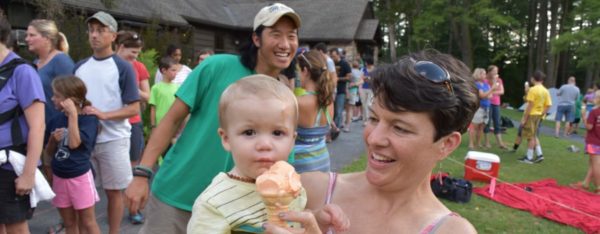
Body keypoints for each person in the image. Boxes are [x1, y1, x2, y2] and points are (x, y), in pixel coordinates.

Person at [125, 3, 301, 233]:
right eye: (275, 34)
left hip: (231, 214)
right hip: (177, 199)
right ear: (257, 39)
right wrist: (143, 172)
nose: (285, 44)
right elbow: (171, 119)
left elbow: (284, 160)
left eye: (291, 36)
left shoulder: (285, 98)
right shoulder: (216, 67)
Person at [263, 50, 477, 233]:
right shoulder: (311, 190)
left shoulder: (450, 230)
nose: (373, 139)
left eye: (400, 128)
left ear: (446, 144)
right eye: (374, 118)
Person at [187, 75, 308, 232]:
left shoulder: (293, 187)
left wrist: (319, 219)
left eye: (277, 133)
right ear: (226, 139)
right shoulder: (213, 204)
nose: (264, 145)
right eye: (249, 132)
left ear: (292, 141)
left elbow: (298, 223)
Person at [74, 11, 140, 234]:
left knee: (114, 192)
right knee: (84, 193)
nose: (94, 35)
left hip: (113, 139)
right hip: (83, 140)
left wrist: (104, 115)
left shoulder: (123, 67)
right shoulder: (80, 66)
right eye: (91, 30)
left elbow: (134, 107)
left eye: (101, 31)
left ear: (113, 36)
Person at [0, 16, 46, 234]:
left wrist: (28, 174)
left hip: (10, 166)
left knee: (15, 227)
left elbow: (38, 126)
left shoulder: (22, 72)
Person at [44, 76, 101, 234]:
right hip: (60, 177)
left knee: (88, 223)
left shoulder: (88, 120)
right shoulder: (55, 120)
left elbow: (74, 143)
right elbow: (48, 152)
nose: (52, 98)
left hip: (79, 177)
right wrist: (52, 141)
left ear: (69, 100)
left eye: (56, 95)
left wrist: (73, 115)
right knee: (69, 223)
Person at [115, 30, 151, 224]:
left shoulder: (138, 67)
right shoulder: (108, 65)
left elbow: (148, 96)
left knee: (133, 167)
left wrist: (131, 87)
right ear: (119, 47)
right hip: (110, 124)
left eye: (137, 53)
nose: (135, 57)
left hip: (132, 123)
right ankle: (115, 208)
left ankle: (133, 209)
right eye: (132, 52)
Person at [25, 19, 75, 125]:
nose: (27, 39)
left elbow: (74, 95)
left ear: (47, 38)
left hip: (57, 128)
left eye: (32, 35)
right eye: (27, 35)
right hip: (37, 126)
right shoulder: (35, 63)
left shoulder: (61, 61)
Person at [292, 50, 335, 173]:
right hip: (323, 162)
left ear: (305, 71)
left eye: (299, 71)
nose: (298, 75)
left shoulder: (297, 102)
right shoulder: (329, 101)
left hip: (300, 166)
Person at [518, 71, 552, 164]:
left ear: (533, 78)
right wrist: (542, 115)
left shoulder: (533, 90)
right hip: (538, 115)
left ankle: (529, 158)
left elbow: (530, 105)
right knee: (533, 135)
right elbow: (548, 105)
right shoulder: (545, 90)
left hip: (531, 115)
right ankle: (539, 154)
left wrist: (525, 118)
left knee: (530, 137)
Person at [571, 90, 600, 195]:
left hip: (593, 142)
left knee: (595, 165)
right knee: (592, 164)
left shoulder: (594, 111)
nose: (593, 98)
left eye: (595, 96)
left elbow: (589, 126)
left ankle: (598, 187)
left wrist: (583, 116)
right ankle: (586, 184)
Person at [149, 57, 180, 140]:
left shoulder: (178, 88)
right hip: (160, 124)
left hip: (173, 125)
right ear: (164, 70)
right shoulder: (156, 88)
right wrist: (153, 126)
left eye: (176, 70)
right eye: (173, 70)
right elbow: (153, 108)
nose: (176, 73)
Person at [468, 68, 496, 150]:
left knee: (481, 127)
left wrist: (487, 93)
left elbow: (490, 96)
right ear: (478, 75)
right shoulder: (477, 84)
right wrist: (491, 90)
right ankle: (471, 143)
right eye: (483, 74)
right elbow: (482, 96)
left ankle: (478, 143)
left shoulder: (486, 85)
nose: (485, 75)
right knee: (474, 126)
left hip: (486, 107)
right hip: (479, 108)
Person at [483, 65, 508, 149]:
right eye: (494, 71)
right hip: (488, 103)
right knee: (487, 122)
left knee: (497, 122)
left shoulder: (499, 80)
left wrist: (491, 91)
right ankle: (487, 142)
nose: (496, 72)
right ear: (489, 72)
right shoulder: (485, 80)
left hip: (496, 103)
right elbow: (485, 91)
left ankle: (500, 143)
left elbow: (502, 91)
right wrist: (493, 85)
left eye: (497, 71)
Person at [330, 48, 351, 131]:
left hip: (340, 91)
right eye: (331, 56)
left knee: (339, 111)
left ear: (338, 55)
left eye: (334, 56)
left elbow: (349, 77)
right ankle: (332, 128)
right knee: (332, 112)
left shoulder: (345, 64)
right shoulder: (330, 63)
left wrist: (338, 78)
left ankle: (336, 130)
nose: (332, 58)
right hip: (331, 91)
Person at [343, 60, 364, 132]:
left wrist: (354, 84)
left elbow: (361, 81)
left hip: (349, 90)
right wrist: (355, 84)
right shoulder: (360, 72)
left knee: (348, 108)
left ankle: (347, 125)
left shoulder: (351, 71)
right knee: (349, 108)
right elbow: (361, 81)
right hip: (353, 91)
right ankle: (346, 124)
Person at [359, 58, 374, 127]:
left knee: (369, 104)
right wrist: (367, 78)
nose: (365, 64)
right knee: (364, 104)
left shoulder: (375, 69)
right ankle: (365, 120)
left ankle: (369, 119)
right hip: (363, 88)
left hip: (372, 89)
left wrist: (366, 77)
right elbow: (361, 78)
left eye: (366, 62)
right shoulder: (363, 69)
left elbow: (375, 78)